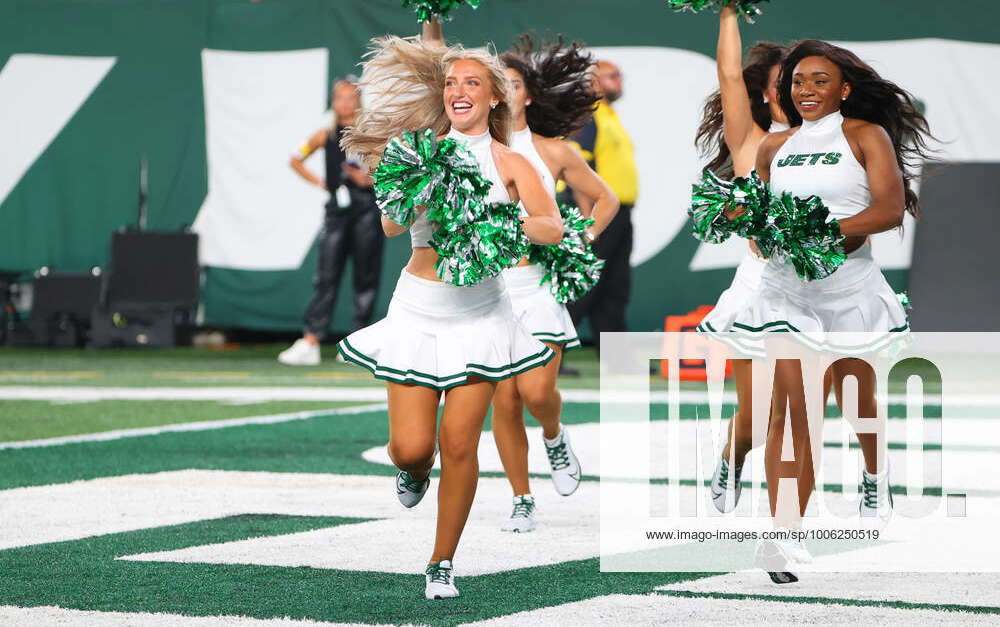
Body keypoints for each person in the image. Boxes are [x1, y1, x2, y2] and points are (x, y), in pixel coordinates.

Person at [338, 28, 563, 600]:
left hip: (483, 316)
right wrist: (425, 188)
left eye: (472, 83)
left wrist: (498, 224)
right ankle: (411, 470)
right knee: (413, 447)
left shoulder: (511, 161)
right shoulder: (416, 149)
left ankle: (442, 561)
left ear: (494, 99)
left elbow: (550, 226)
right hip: (418, 310)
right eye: (451, 83)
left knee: (461, 443)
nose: (459, 90)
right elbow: (392, 225)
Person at [733, 39, 932, 572]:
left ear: (844, 89)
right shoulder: (774, 147)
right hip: (787, 291)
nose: (807, 90)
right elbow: (761, 221)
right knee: (793, 408)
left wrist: (822, 233)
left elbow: (890, 210)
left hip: (848, 290)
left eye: (820, 81)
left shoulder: (866, 135)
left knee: (856, 400)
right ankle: (783, 533)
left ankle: (875, 473)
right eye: (798, 82)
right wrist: (753, 228)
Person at [492, 34, 619, 532]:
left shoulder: (553, 151)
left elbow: (604, 199)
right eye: (496, 82)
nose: (504, 88)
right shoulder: (474, 149)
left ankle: (553, 433)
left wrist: (580, 239)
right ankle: (522, 497)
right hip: (488, 287)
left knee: (538, 391)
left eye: (513, 81)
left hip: (536, 281)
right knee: (503, 398)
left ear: (527, 94)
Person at [278, 77, 383, 366]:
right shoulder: (325, 133)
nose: (346, 104)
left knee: (366, 276)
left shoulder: (370, 133)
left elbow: (384, 169)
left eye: (351, 98)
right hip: (337, 209)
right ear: (333, 101)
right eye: (340, 98)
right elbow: (295, 159)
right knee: (326, 274)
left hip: (366, 208)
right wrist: (323, 183)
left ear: (359, 101)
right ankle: (311, 339)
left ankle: (357, 343)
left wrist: (367, 178)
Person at [565, 59, 639, 355]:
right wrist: (588, 222)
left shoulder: (609, 115)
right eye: (612, 77)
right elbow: (577, 168)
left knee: (615, 286)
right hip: (596, 214)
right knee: (581, 285)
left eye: (620, 76)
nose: (618, 81)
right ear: (592, 82)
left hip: (619, 215)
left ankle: (617, 358)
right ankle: (551, 354)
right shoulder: (587, 116)